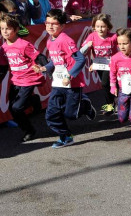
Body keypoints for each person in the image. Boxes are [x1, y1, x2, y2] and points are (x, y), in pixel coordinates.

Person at [34, 9, 97, 148]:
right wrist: (45, 68)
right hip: (58, 83)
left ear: (62, 26)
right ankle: (66, 136)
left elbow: (80, 59)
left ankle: (85, 105)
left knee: (71, 115)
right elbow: (56, 61)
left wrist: (69, 75)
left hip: (72, 83)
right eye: (47, 23)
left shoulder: (65, 39)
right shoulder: (50, 40)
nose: (50, 26)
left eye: (54, 24)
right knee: (51, 114)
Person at [0, 13, 47, 141]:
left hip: (29, 79)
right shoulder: (3, 48)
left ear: (15, 30)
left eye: (8, 28)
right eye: (2, 28)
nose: (5, 31)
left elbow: (39, 57)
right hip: (16, 81)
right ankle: (29, 129)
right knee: (13, 109)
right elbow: (3, 67)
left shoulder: (23, 45)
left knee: (17, 107)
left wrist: (46, 68)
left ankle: (32, 103)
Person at [81, 14, 118, 115]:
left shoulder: (113, 37)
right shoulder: (92, 36)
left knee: (105, 84)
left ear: (108, 27)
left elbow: (124, 46)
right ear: (94, 27)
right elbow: (81, 51)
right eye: (97, 26)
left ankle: (110, 107)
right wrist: (87, 46)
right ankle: (113, 103)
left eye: (103, 26)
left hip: (112, 65)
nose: (100, 29)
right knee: (107, 86)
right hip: (99, 64)